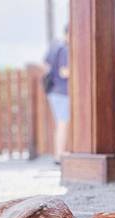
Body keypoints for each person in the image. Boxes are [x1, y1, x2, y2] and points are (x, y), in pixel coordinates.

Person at [44, 25, 69, 163]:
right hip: (63, 92)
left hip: (53, 90)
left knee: (60, 124)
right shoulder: (65, 49)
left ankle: (59, 154)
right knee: (62, 124)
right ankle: (59, 156)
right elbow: (64, 72)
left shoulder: (55, 46)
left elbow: (46, 65)